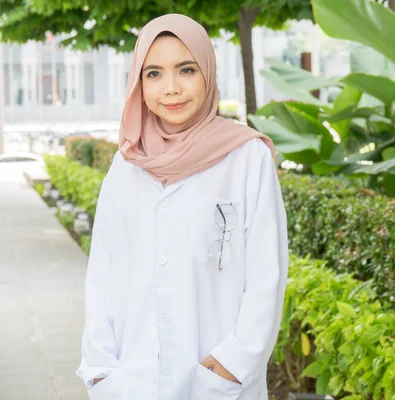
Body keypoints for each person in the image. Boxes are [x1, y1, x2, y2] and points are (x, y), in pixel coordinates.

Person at [75, 13, 289, 400]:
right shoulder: (126, 165)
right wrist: (101, 369)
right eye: (153, 74)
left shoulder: (246, 157)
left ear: (208, 70)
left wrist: (231, 365)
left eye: (186, 69)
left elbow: (266, 277)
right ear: (138, 83)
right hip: (132, 376)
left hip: (216, 379)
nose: (170, 88)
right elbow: (103, 273)